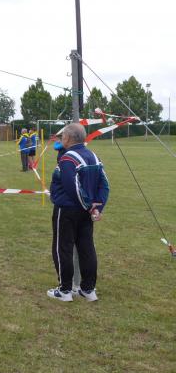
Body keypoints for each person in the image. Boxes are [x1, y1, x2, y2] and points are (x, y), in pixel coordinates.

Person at [47, 123, 109, 302]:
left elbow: (73, 187)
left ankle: (65, 290)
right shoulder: (93, 156)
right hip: (86, 212)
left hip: (67, 210)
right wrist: (96, 207)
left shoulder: (68, 159)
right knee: (86, 247)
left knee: (63, 248)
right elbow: (104, 185)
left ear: (68, 138)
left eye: (63, 136)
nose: (61, 139)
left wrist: (91, 207)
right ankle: (88, 289)